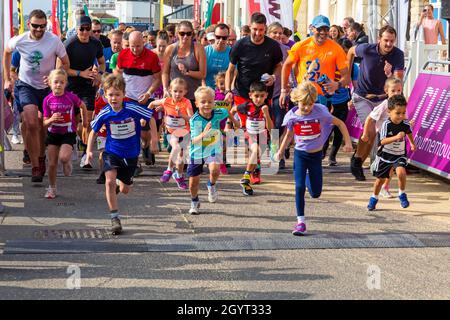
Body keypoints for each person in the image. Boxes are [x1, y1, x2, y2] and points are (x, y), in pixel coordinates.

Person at [275, 81, 353, 236]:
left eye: (310, 104)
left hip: (316, 156)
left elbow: (340, 123)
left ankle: (308, 177)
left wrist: (348, 142)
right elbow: (289, 134)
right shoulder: (292, 116)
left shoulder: (321, 112)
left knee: (316, 193)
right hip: (300, 154)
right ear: (297, 100)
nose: (306, 108)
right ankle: (300, 222)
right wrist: (280, 151)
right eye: (303, 104)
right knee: (298, 187)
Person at [3, 9, 70, 182]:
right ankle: (35, 166)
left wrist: (55, 75)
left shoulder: (54, 40)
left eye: (42, 26)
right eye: (35, 26)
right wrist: (7, 78)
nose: (39, 29)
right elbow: (7, 52)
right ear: (28, 24)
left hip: (47, 88)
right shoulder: (20, 39)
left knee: (42, 125)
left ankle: (41, 157)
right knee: (31, 122)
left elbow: (66, 63)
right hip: (26, 85)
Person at [86, 74, 156, 235]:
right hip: (112, 152)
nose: (114, 98)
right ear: (105, 96)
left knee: (125, 189)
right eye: (110, 94)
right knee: (109, 182)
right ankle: (114, 218)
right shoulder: (105, 113)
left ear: (124, 95)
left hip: (131, 154)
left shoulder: (132, 108)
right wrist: (89, 151)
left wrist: (153, 141)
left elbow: (150, 118)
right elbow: (93, 132)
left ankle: (119, 184)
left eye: (117, 94)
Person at [347, 25, 404, 181]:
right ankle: (358, 161)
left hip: (383, 100)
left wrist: (389, 74)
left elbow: (398, 81)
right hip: (362, 97)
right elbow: (351, 52)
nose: (389, 44)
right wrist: (347, 75)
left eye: (392, 41)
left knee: (376, 135)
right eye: (386, 40)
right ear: (379, 39)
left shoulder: (398, 55)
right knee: (370, 131)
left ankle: (358, 160)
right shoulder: (366, 49)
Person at [61, 15, 105, 168]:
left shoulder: (96, 43)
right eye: (82, 29)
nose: (85, 32)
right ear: (76, 29)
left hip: (88, 85)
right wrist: (80, 73)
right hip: (71, 84)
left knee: (88, 120)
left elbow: (101, 62)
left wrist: (99, 75)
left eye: (88, 29)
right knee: (75, 120)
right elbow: (61, 68)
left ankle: (86, 154)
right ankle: (75, 141)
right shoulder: (69, 44)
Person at [187, 86, 240, 214]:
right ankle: (194, 201)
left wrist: (234, 122)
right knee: (193, 183)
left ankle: (211, 185)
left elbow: (227, 111)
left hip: (213, 148)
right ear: (197, 103)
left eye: (210, 102)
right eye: (203, 102)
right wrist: (204, 133)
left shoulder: (218, 112)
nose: (207, 105)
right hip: (197, 151)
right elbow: (193, 141)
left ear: (214, 102)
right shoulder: (195, 120)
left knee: (215, 170)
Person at [115, 31, 161, 175]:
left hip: (146, 98)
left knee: (145, 134)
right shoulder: (123, 54)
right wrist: (119, 89)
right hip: (128, 98)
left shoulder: (152, 57)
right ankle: (135, 163)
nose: (135, 49)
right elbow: (117, 72)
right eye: (132, 46)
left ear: (144, 42)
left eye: (138, 46)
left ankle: (146, 146)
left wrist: (148, 93)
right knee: (131, 130)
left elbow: (157, 79)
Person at [280, 15, 350, 109]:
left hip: (323, 98)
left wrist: (337, 84)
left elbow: (346, 76)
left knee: (321, 124)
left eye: (326, 29)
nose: (323, 32)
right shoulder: (301, 46)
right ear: (312, 28)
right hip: (303, 96)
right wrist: (283, 90)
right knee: (302, 123)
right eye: (319, 28)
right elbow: (287, 65)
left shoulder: (336, 48)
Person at [42, 69, 88, 199]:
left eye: (61, 82)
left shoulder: (70, 97)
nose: (58, 85)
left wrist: (84, 122)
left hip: (68, 133)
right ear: (50, 83)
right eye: (56, 82)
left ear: (65, 84)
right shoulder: (47, 100)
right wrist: (51, 119)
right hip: (53, 134)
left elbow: (83, 106)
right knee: (51, 164)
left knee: (62, 158)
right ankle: (52, 188)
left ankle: (67, 162)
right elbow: (44, 123)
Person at [367, 95, 416, 211]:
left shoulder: (405, 123)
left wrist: (412, 143)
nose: (401, 116)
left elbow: (409, 132)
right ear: (389, 112)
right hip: (385, 156)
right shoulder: (386, 125)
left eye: (403, 113)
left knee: (401, 172)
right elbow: (382, 141)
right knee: (380, 181)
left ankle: (402, 194)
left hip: (399, 155)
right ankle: (374, 198)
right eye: (398, 113)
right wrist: (396, 137)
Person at [225, 13, 283, 108]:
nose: (257, 33)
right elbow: (230, 70)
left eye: (261, 30)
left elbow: (278, 66)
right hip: (243, 93)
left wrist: (273, 77)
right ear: (250, 27)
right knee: (243, 123)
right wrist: (228, 91)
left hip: (263, 95)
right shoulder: (240, 45)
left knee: (262, 122)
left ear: (265, 28)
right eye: (255, 29)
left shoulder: (273, 46)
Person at [361, 77, 403, 198]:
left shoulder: (400, 104)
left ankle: (385, 186)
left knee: (393, 165)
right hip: (383, 137)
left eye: (399, 90)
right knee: (387, 165)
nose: (396, 93)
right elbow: (370, 118)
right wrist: (365, 134)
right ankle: (380, 183)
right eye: (393, 91)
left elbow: (401, 119)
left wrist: (407, 123)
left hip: (396, 138)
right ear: (386, 91)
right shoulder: (385, 104)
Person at [149, 78, 193, 189]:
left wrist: (181, 115)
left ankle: (178, 175)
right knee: (176, 147)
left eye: (180, 91)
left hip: (184, 133)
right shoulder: (166, 101)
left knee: (182, 157)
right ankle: (168, 170)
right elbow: (152, 104)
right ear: (170, 90)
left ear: (185, 92)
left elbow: (191, 118)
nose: (177, 94)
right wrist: (146, 116)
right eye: (175, 91)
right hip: (171, 132)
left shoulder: (186, 102)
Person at [231, 81, 273, 195]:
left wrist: (266, 114)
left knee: (256, 155)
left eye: (261, 96)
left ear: (266, 95)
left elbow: (270, 128)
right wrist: (233, 122)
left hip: (263, 136)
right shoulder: (246, 106)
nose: (258, 99)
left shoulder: (267, 107)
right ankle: (246, 177)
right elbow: (233, 110)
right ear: (250, 95)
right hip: (251, 135)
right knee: (256, 151)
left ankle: (247, 179)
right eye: (256, 96)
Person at [322, 38, 358, 166]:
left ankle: (332, 156)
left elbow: (355, 86)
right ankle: (322, 151)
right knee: (325, 128)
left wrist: (353, 99)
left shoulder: (353, 67)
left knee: (339, 129)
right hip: (326, 101)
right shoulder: (328, 63)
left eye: (347, 53)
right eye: (341, 52)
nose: (344, 56)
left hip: (342, 101)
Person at [163, 21, 206, 109]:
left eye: (188, 33)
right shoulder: (170, 49)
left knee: (193, 122)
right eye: (182, 33)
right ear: (177, 34)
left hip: (193, 98)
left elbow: (202, 74)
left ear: (192, 34)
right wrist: (165, 88)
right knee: (173, 122)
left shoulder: (198, 48)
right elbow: (165, 72)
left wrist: (187, 72)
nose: (185, 36)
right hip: (174, 98)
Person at [204, 24, 231, 89]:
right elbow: (201, 74)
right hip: (207, 91)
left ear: (228, 37)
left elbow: (234, 74)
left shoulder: (232, 53)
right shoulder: (205, 51)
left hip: (225, 92)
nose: (221, 40)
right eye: (218, 37)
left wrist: (229, 91)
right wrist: (205, 89)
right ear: (214, 36)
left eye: (224, 38)